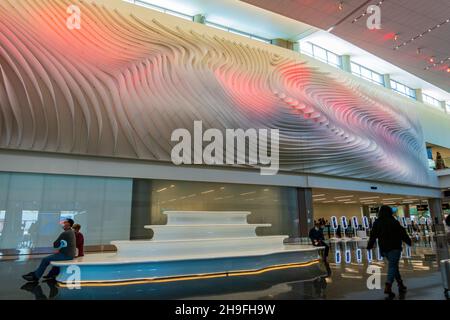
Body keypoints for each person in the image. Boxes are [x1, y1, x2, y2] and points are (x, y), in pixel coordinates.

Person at [367, 206, 412, 298]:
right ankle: (388, 285)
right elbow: (402, 233)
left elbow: (373, 235)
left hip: (384, 249)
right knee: (393, 266)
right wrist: (408, 241)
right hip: (394, 247)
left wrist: (370, 245)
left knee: (393, 265)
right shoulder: (394, 222)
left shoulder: (377, 222)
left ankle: (400, 285)